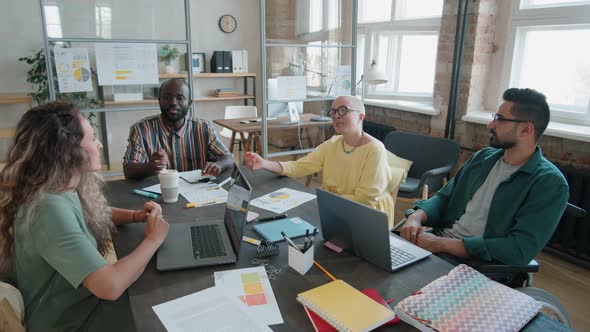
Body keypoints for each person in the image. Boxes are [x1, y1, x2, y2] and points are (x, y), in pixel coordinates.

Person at [0, 102, 170, 332]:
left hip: (73, 305)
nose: (98, 144)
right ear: (67, 151)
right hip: (69, 321)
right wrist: (153, 239)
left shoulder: (53, 187)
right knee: (162, 305)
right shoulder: (49, 210)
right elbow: (110, 286)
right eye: (91, 139)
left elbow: (82, 214)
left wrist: (133, 216)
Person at [400, 88, 569, 266]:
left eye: (500, 119)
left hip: (477, 264)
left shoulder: (549, 183)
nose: (490, 125)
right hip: (439, 245)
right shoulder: (483, 158)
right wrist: (416, 217)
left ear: (526, 130)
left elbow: (518, 249)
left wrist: (442, 244)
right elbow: (444, 197)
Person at [243, 95, 397, 228]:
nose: (336, 116)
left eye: (343, 110)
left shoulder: (375, 149)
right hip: (334, 208)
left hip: (366, 217)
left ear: (361, 116)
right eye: (333, 112)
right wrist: (264, 163)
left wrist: (325, 201)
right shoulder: (333, 143)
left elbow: (365, 201)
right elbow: (299, 167)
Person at [123, 78, 233, 180]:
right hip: (158, 194)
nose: (173, 103)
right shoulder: (141, 130)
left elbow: (228, 158)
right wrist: (152, 167)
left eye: (180, 98)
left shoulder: (203, 128)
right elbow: (128, 170)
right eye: (167, 97)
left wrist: (219, 165)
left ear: (189, 103)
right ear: (159, 101)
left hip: (196, 192)